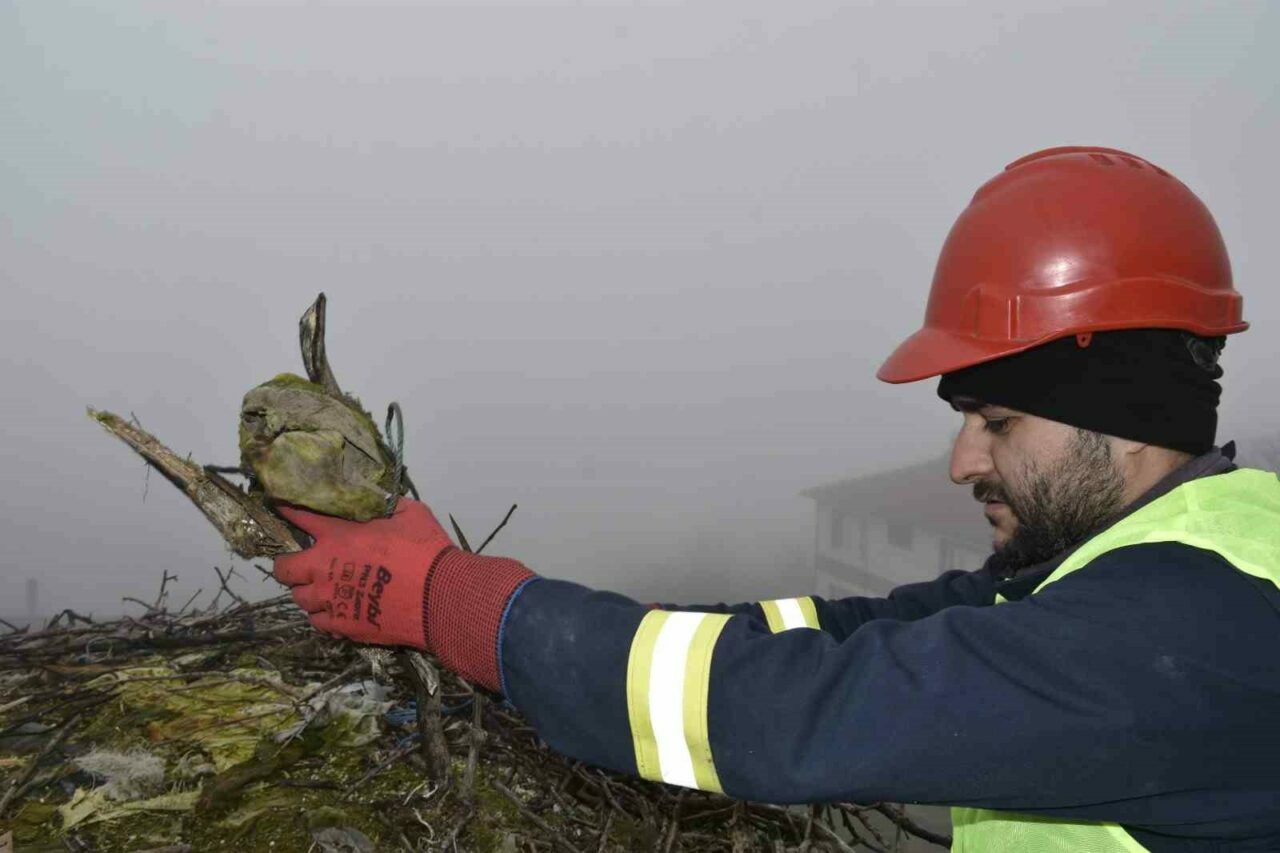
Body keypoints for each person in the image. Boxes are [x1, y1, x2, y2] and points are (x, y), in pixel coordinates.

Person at [273, 147, 1280, 852]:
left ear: (1128, 418)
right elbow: (825, 640)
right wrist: (504, 619)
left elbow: (796, 712)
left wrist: (459, 603)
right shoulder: (1132, 578)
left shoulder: (1188, 636)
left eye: (998, 422)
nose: (959, 460)